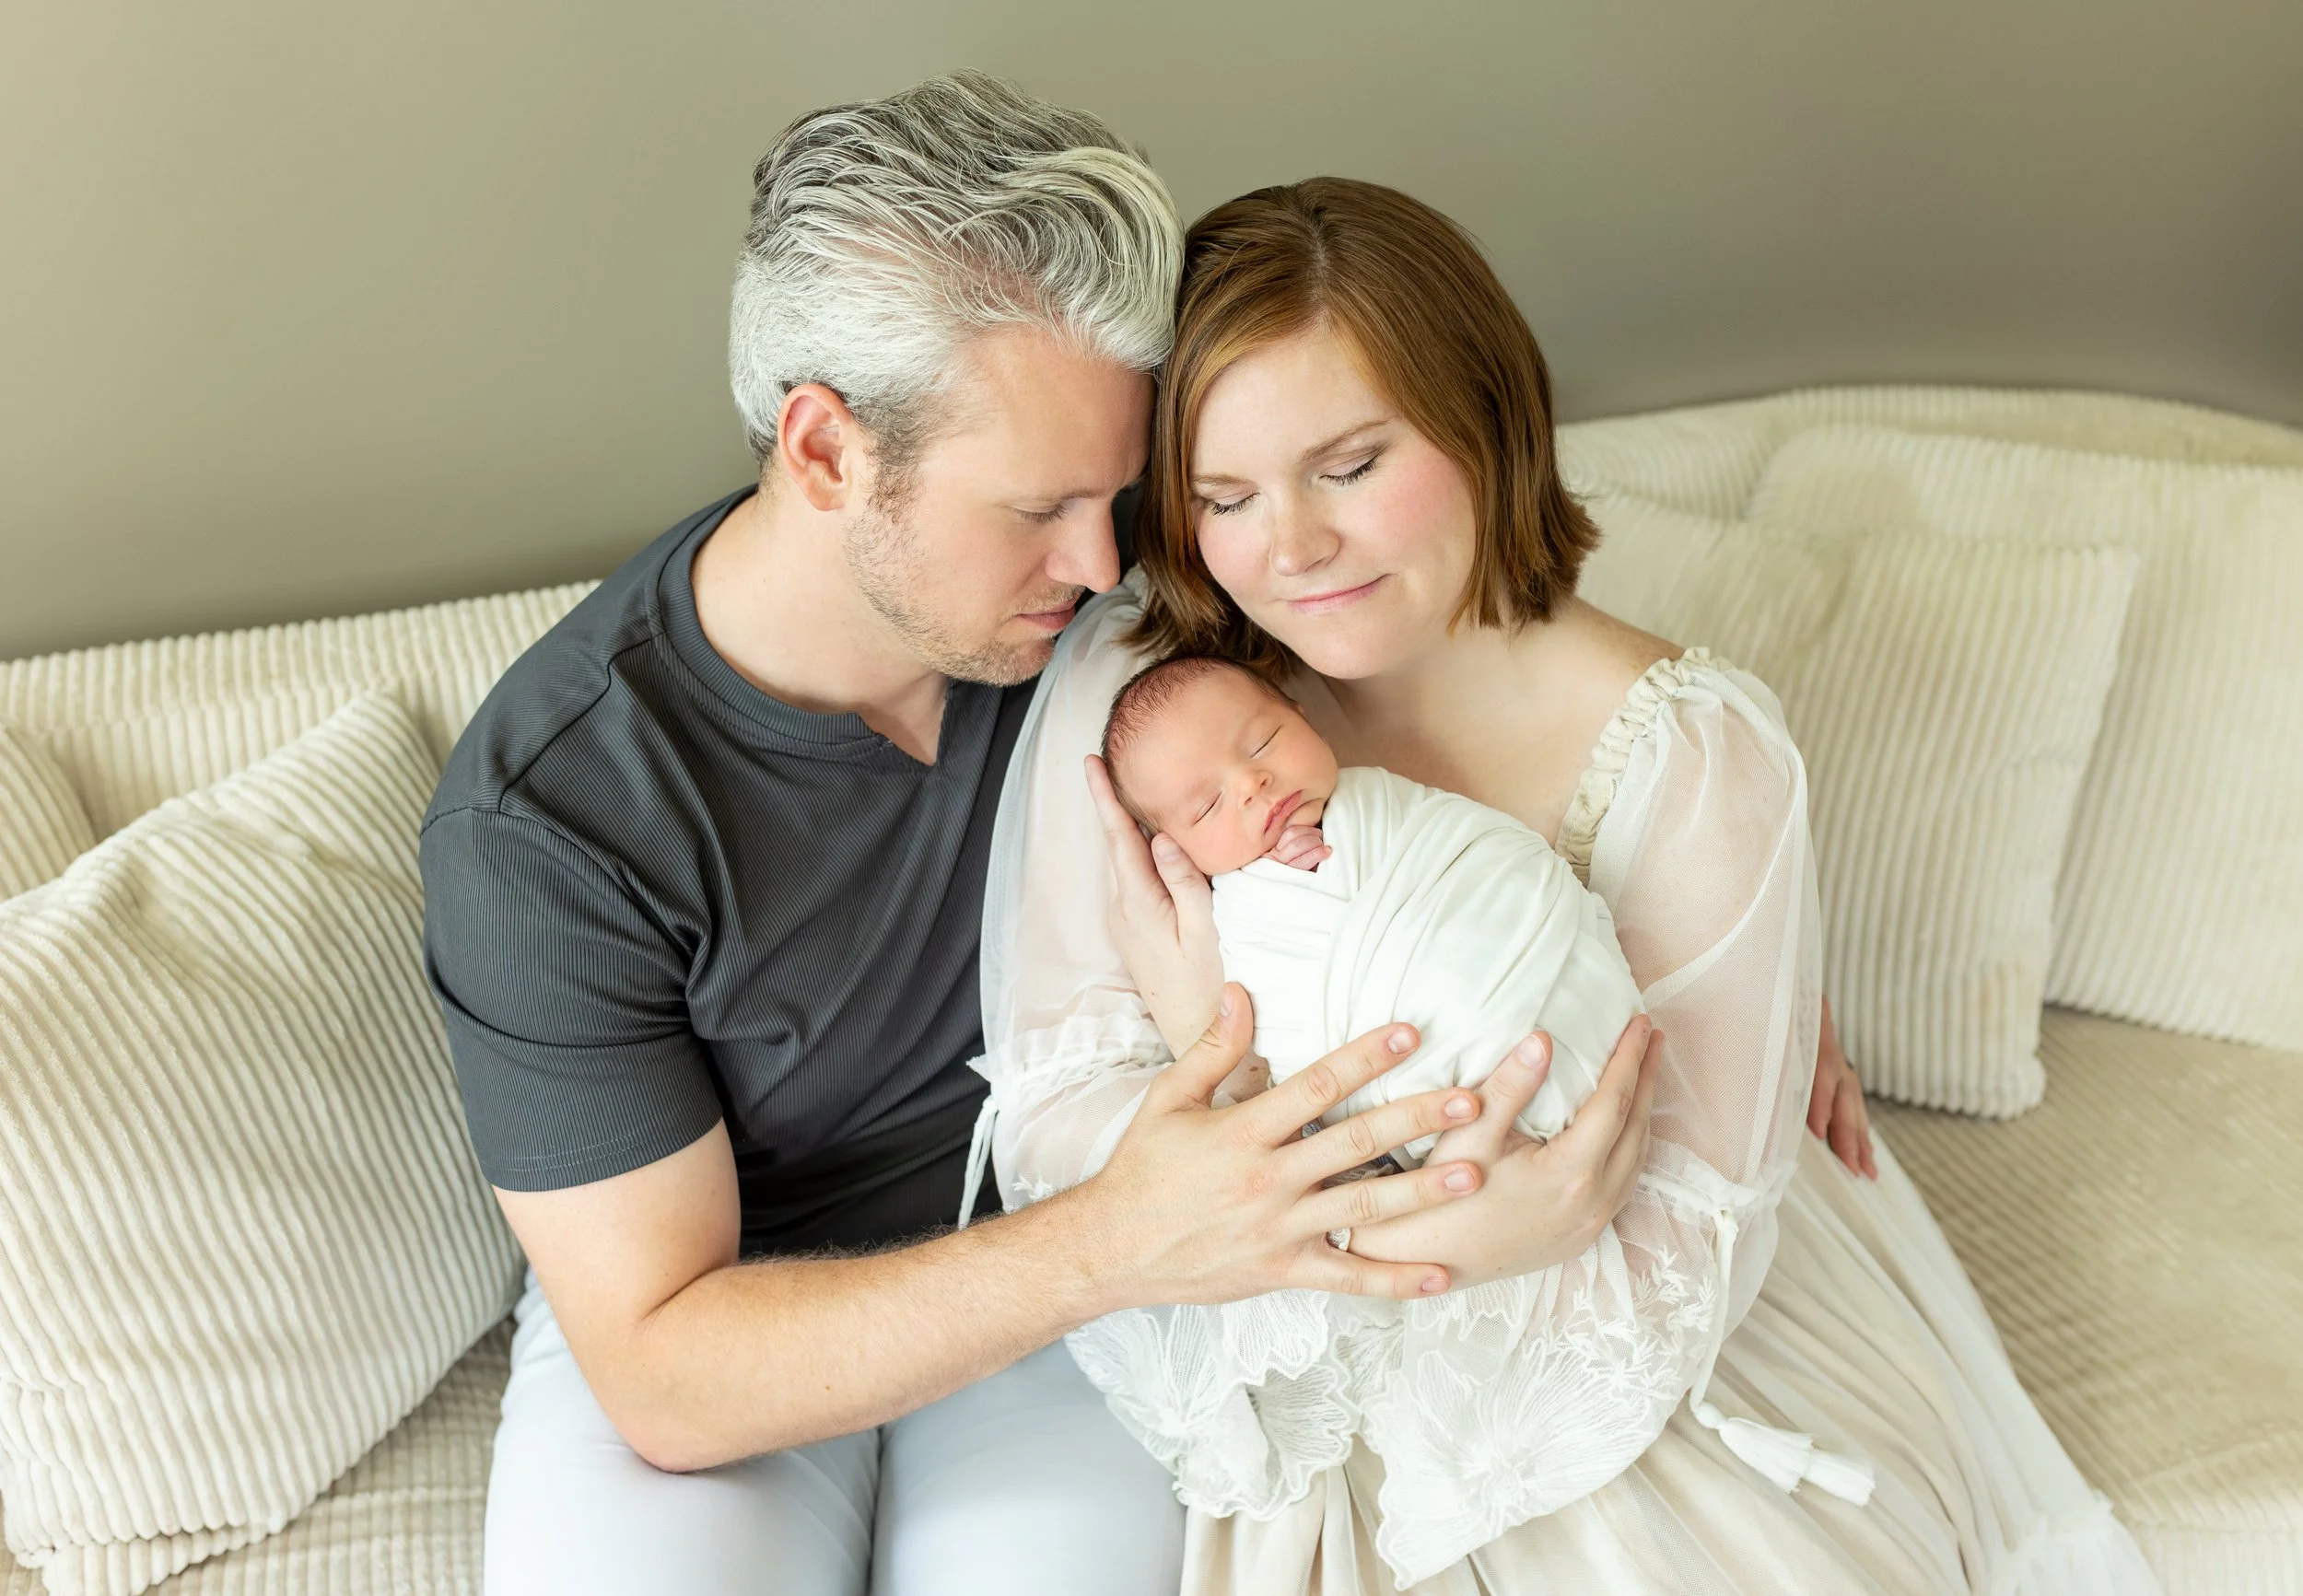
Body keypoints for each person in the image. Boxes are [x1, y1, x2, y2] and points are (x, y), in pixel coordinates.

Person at [417, 77, 1658, 1596]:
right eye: (1040, 508)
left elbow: (1467, 661)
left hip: (1087, 1279)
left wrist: (1704, 916)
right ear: (824, 453)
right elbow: (665, 1369)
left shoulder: (1149, 613)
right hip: (762, 1321)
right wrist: (1119, 1240)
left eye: (1123, 494)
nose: (1103, 561)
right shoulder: (554, 817)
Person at [972, 176, 2163, 1592]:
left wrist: (1487, 1218)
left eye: (1349, 465)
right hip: (1271, 1332)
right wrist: (1374, 1208)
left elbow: (1664, 1273)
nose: (1287, 549)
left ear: (1485, 420)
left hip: (1610, 1357)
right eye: (1223, 496)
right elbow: (1053, 1125)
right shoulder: (1152, 694)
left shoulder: (1695, 758)